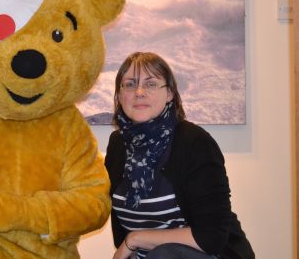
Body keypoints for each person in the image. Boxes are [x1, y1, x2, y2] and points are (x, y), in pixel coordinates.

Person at [105, 52, 254, 259]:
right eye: (129, 84)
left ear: (170, 94)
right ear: (119, 95)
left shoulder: (195, 142)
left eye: (150, 84)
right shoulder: (118, 144)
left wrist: (135, 239)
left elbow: (210, 237)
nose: (139, 92)